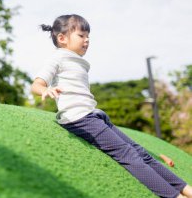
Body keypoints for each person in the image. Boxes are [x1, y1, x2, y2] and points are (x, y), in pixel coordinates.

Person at [31, 14, 192, 198]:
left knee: (140, 152)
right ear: (62, 38)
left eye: (88, 36)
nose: (87, 40)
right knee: (128, 155)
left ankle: (187, 190)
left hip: (94, 115)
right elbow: (36, 84)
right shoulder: (58, 58)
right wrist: (46, 89)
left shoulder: (78, 61)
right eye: (81, 36)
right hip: (79, 119)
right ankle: (175, 196)